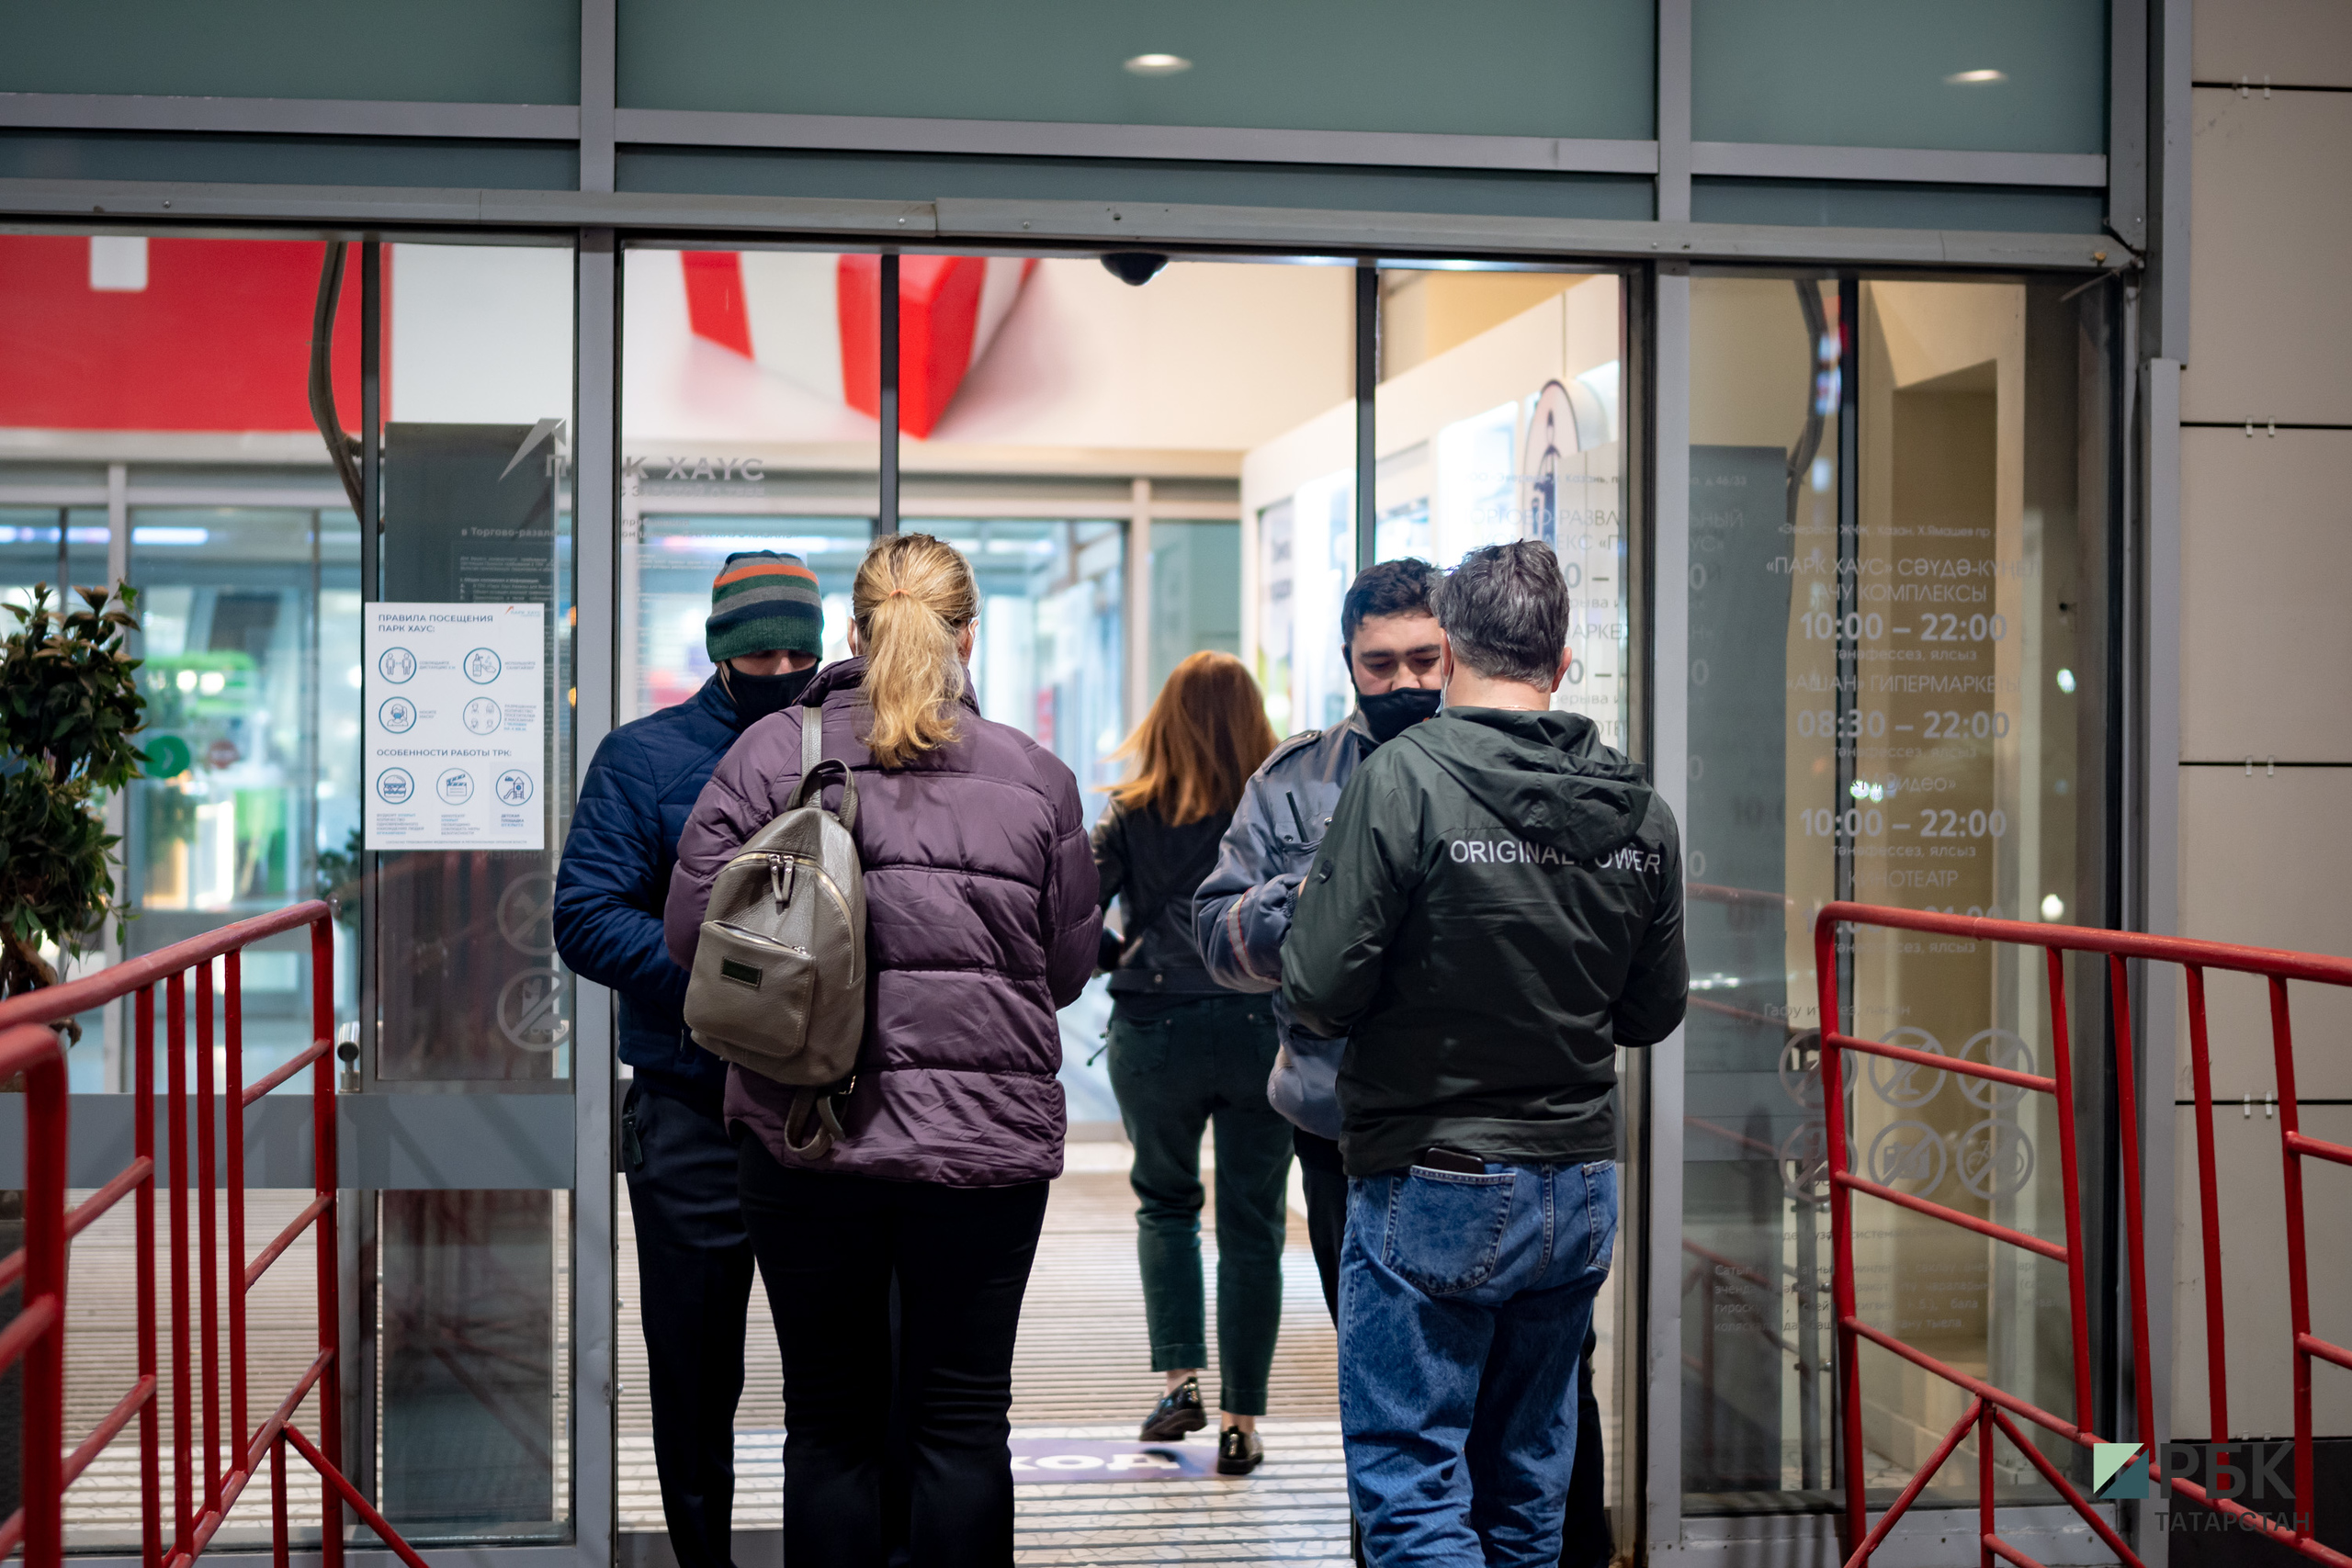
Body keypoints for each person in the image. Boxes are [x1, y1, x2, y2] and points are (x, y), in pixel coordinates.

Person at [663, 532, 1100, 1568]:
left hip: (805, 1133)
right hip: (983, 1153)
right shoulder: (1036, 778)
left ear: (851, 632)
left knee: (826, 1426)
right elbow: (1069, 967)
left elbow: (694, 942)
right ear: (969, 633)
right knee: (959, 1423)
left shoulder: (770, 756)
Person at [1282, 540, 1686, 1568]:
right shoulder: (1639, 808)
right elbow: (1649, 1012)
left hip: (1431, 1172)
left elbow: (1320, 990)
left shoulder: (1403, 781)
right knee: (1526, 1486)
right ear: (1559, 661)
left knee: (1414, 1484)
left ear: (1453, 651)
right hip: (1576, 1184)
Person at [552, 549, 824, 1568]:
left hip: (819, 1117)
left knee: (829, 1381)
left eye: (802, 650)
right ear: (721, 655)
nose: (783, 668)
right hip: (691, 1109)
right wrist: (736, 989)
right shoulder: (644, 757)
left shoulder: (847, 747)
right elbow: (584, 917)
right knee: (695, 1377)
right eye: (762, 654)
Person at [1193, 557, 1445, 1323]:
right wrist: (1319, 899)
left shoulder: (1499, 770)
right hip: (1338, 1122)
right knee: (1369, 1359)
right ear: (1349, 664)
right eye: (1381, 663)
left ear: (1454, 653)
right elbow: (1216, 933)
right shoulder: (1292, 780)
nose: (1404, 679)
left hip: (1474, 1119)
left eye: (1424, 659)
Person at [1090, 650, 1285, 1475]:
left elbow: (1073, 913)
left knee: (1167, 1204)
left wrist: (1115, 954)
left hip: (1157, 1021)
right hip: (1259, 1025)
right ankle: (1242, 1421)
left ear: (1163, 719)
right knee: (1254, 1227)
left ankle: (1183, 1381)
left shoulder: (1130, 811)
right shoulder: (1282, 809)